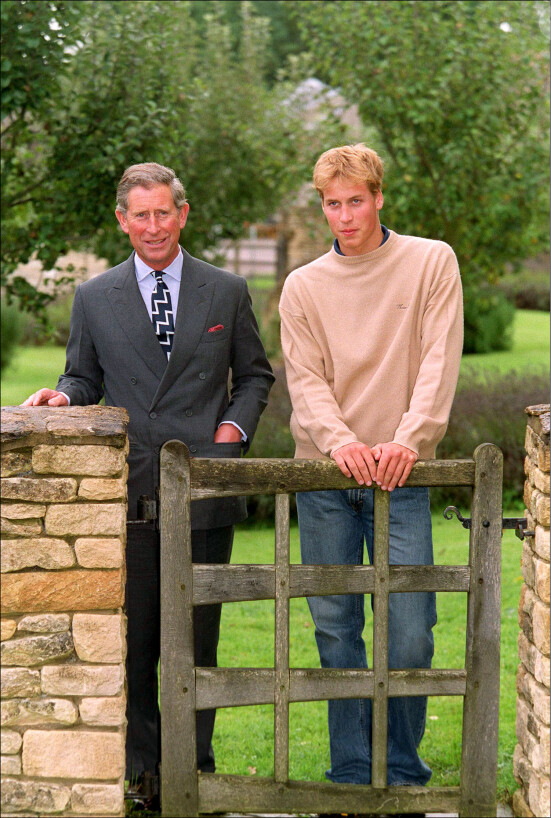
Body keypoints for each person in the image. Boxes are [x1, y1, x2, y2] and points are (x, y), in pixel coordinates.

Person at [22, 162, 274, 809]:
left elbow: (254, 378)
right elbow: (85, 379)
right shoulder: (93, 297)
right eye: (142, 215)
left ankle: (196, 772)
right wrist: (62, 396)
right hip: (128, 502)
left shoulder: (226, 291)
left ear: (182, 215)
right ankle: (144, 776)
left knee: (199, 646)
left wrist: (230, 437)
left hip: (205, 496)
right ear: (122, 220)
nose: (154, 226)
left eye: (165, 212)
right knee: (135, 650)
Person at [279, 144, 463, 796]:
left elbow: (439, 361)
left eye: (357, 199)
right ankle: (353, 781)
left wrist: (409, 441)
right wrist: (342, 444)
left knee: (410, 632)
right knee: (337, 633)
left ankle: (404, 776)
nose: (345, 214)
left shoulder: (430, 261)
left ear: (379, 197)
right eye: (333, 203)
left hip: (403, 475)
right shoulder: (303, 286)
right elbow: (305, 380)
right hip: (326, 480)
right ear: (322, 206)